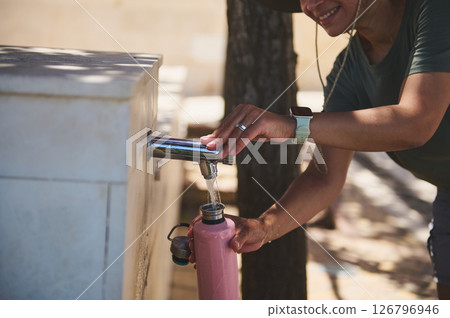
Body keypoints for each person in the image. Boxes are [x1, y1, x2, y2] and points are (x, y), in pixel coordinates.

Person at [189, 0, 450, 299]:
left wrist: (292, 125)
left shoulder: (437, 10)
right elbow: (324, 177)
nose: (311, 5)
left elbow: (415, 122)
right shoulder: (347, 71)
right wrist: (262, 227)